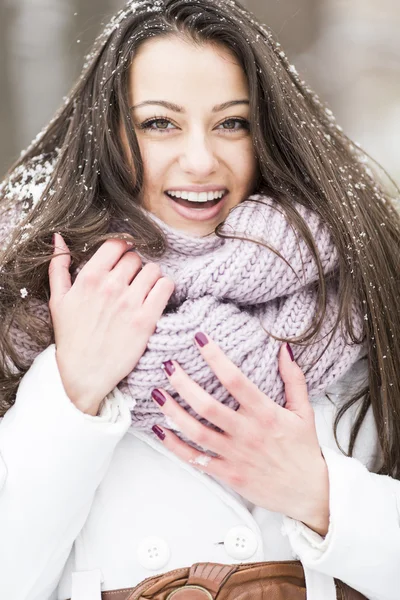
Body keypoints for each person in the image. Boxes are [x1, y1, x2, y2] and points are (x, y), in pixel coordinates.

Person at [0, 0, 399, 599]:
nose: (200, 160)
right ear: (106, 137)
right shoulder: (28, 310)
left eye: (232, 123)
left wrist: (322, 498)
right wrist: (70, 393)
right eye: (159, 123)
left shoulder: (363, 292)